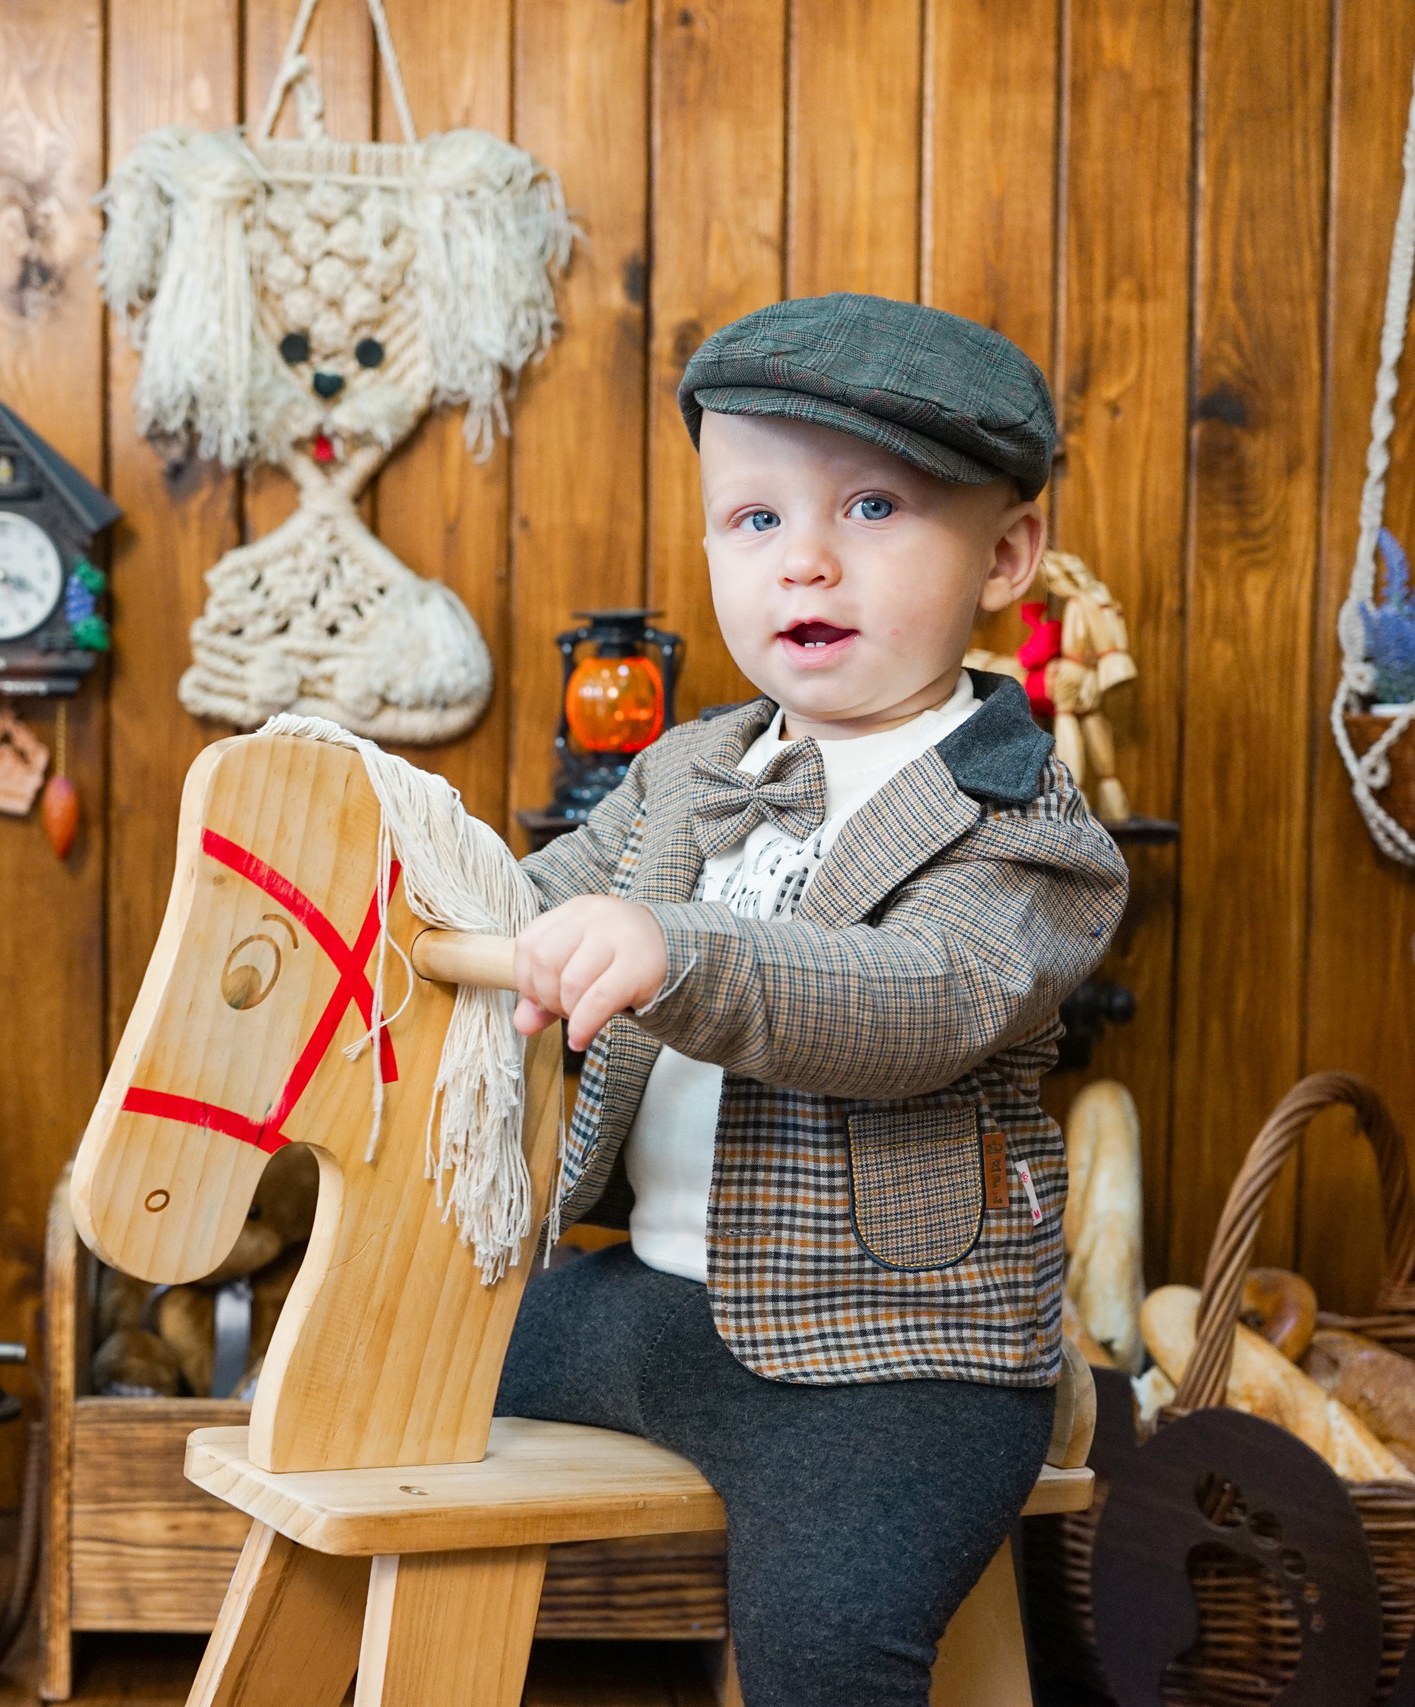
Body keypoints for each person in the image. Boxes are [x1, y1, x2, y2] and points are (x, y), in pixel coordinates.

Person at [504, 293, 1129, 1707]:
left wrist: (682, 953)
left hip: (899, 1360)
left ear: (1006, 554)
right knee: (399, 1386)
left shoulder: (1022, 821)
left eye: (872, 508)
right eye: (756, 521)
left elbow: (921, 1001)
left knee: (829, 1641)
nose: (809, 565)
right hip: (653, 1306)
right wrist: (413, 883)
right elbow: (534, 901)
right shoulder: (692, 769)